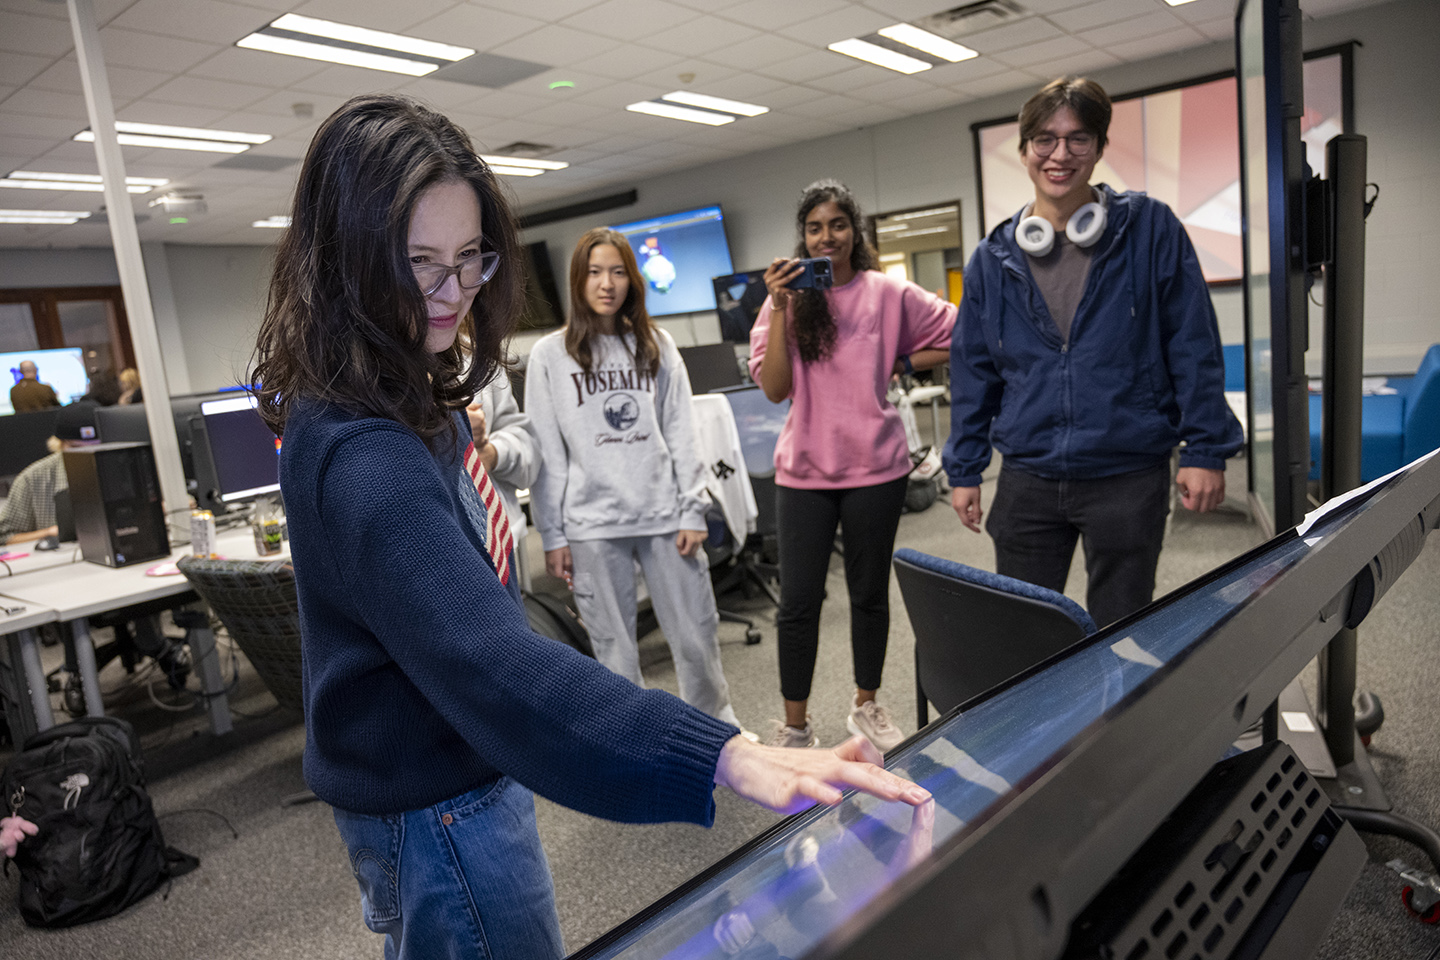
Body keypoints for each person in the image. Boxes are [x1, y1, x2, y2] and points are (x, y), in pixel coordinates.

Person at [249, 95, 930, 960]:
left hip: (463, 759)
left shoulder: (409, 379)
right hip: (438, 801)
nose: (453, 294)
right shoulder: (362, 452)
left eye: (469, 259)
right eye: (419, 263)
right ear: (344, 262)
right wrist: (724, 756)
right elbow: (491, 657)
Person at [943, 77, 1243, 629]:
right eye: (1044, 140)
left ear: (1101, 148)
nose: (1060, 154)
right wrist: (964, 468)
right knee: (1024, 634)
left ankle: (1122, 719)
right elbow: (974, 372)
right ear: (1025, 149)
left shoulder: (1150, 229)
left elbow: (1192, 342)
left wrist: (1205, 449)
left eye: (1078, 139)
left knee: (1122, 631)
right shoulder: (993, 257)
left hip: (1127, 472)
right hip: (1028, 476)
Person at [750, 179, 956, 752]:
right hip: (806, 471)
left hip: (877, 467)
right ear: (803, 236)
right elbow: (773, 389)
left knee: (869, 593)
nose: (826, 236)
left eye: (837, 225)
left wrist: (905, 360)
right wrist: (781, 307)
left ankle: (865, 707)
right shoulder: (785, 300)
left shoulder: (887, 293)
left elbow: (960, 330)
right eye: (814, 227)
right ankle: (795, 726)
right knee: (798, 602)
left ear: (854, 231)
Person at [527, 228, 746, 730]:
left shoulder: (657, 344)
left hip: (664, 513)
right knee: (614, 648)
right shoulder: (549, 355)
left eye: (619, 271)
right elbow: (547, 451)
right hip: (591, 522)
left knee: (695, 634)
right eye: (596, 272)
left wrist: (693, 508)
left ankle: (715, 732)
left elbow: (682, 430)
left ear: (633, 279)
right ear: (578, 280)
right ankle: (634, 740)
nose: (607, 284)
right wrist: (554, 533)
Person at [0, 401, 97, 545]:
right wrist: (48, 533)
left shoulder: (126, 470)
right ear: (60, 443)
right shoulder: (33, 478)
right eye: (76, 448)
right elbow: (4, 536)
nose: (87, 454)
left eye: (97, 447)